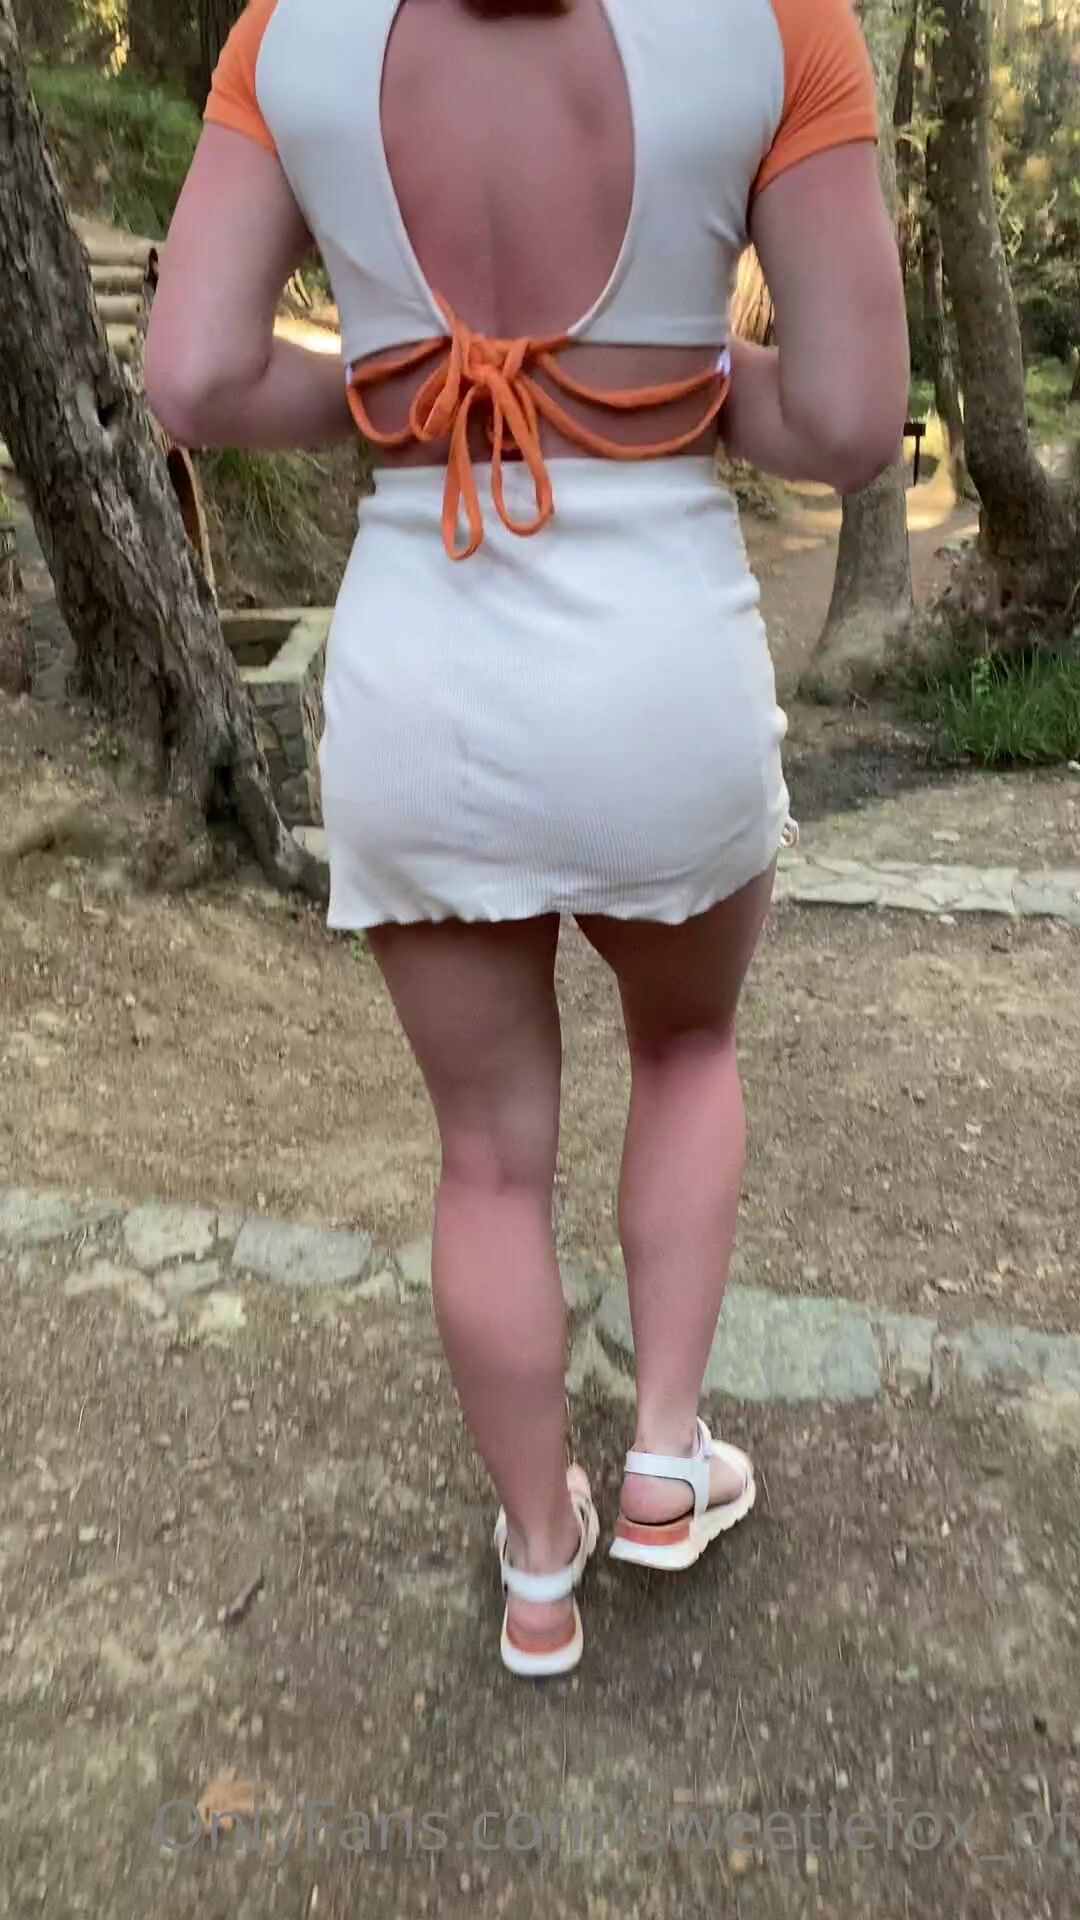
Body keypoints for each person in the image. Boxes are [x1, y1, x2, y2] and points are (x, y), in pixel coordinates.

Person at [145, 0, 908, 1678]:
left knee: (487, 1155)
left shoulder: (287, 35)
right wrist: (674, 391)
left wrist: (408, 402)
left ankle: (542, 1570)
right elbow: (854, 422)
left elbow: (192, 373)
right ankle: (665, 1462)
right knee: (688, 1048)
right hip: (661, 669)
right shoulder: (781, 24)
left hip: (425, 671)